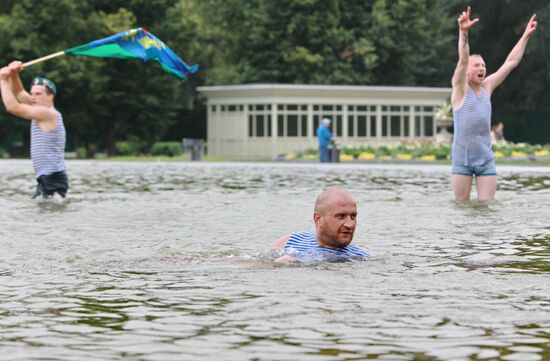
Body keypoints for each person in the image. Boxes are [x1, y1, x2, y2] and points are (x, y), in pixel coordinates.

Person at [450, 7, 537, 201]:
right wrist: (463, 33)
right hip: (461, 161)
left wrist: (525, 36)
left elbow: (510, 62)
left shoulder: (487, 86)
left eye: (483, 65)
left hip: (485, 161)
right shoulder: (460, 89)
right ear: (467, 72)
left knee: (485, 209)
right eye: (477, 65)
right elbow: (463, 59)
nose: (482, 68)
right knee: (461, 209)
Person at [0, 61, 68, 199]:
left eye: (38, 94)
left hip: (53, 178)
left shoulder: (47, 113)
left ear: (50, 96)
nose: (33, 97)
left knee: (47, 216)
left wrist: (3, 79)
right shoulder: (39, 107)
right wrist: (14, 73)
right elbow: (18, 92)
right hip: (46, 178)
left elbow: (12, 107)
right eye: (32, 94)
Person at [271, 187, 369, 262]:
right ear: (318, 219)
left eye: (353, 217)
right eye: (341, 216)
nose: (350, 225)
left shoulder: (360, 257)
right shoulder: (291, 240)